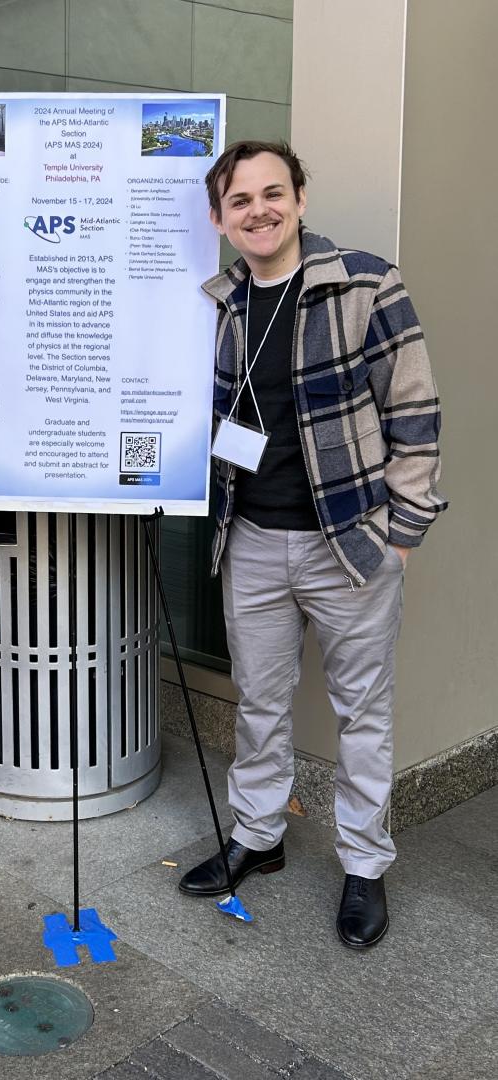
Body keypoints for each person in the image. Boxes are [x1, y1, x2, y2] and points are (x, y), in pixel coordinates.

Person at [179, 140, 447, 948]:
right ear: (219, 219)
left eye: (271, 192)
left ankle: (364, 865)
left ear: (298, 198)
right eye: (238, 200)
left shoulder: (363, 282)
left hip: (349, 544)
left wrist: (400, 536)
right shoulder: (221, 301)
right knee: (258, 703)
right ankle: (257, 838)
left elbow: (414, 411)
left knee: (360, 711)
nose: (257, 209)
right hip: (252, 538)